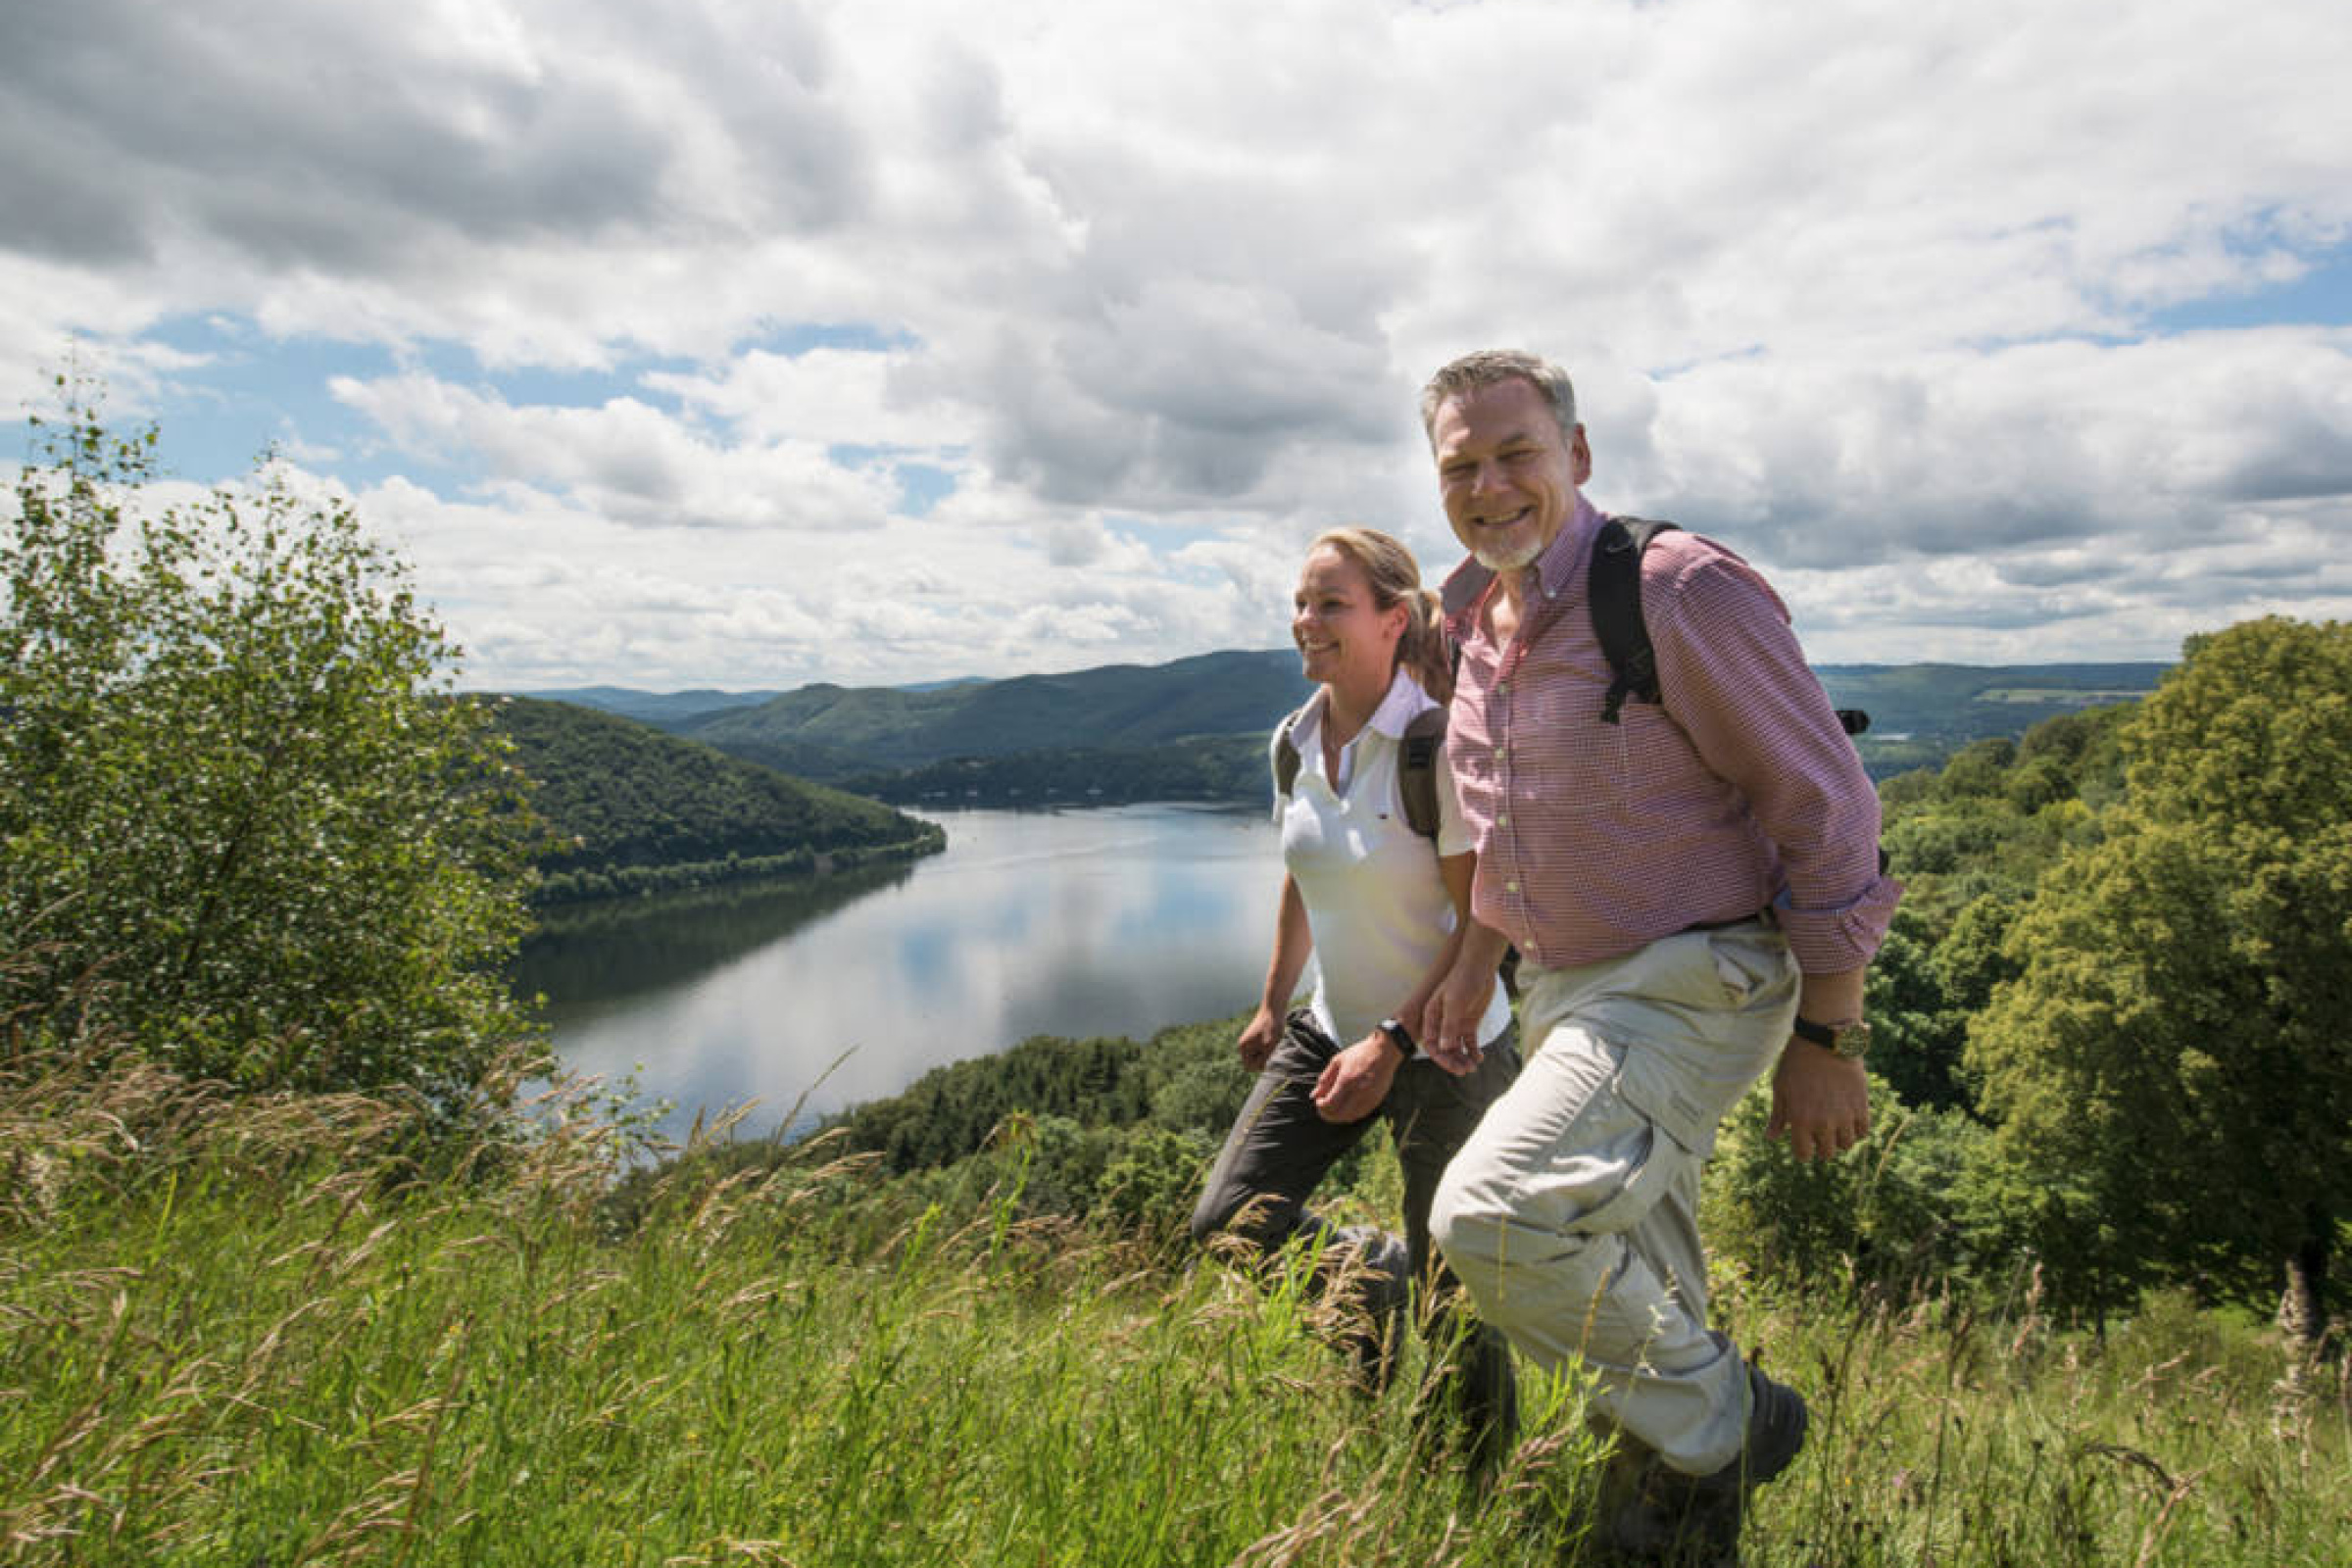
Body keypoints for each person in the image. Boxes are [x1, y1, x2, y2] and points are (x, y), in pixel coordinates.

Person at [1413, 351, 1900, 1561]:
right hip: (1566, 993)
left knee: (1495, 1215)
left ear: (1577, 454)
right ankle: (1664, 1533)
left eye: (1517, 454)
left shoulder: (1675, 590)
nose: (1490, 486)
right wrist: (1477, 961)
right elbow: (1507, 815)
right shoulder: (1472, 619)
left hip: (1694, 979)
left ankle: (1731, 1417)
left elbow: (1827, 805)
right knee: (1641, 1280)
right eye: (1461, 467)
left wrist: (1830, 1032)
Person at [1191, 526, 1522, 1474]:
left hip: (1449, 1043)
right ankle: (1365, 1279)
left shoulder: (1434, 744)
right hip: (1331, 1027)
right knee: (1231, 1220)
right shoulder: (1293, 741)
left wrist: (1392, 1041)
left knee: (1453, 1281)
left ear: (1393, 619)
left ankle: (1474, 1482)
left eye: (1331, 603)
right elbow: (1305, 873)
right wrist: (1273, 1003)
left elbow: (1482, 917)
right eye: (1301, 602)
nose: (1307, 620)